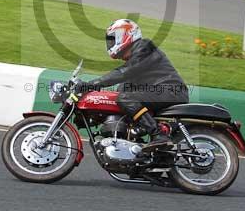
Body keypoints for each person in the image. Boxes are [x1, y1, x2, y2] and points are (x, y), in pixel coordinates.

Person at [74, 19, 189, 152]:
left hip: (171, 91)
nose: (110, 43)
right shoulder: (135, 60)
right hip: (161, 91)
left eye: (113, 39)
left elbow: (123, 72)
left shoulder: (145, 48)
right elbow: (121, 87)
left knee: (125, 98)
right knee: (121, 97)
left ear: (127, 34)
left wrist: (92, 84)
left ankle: (158, 134)